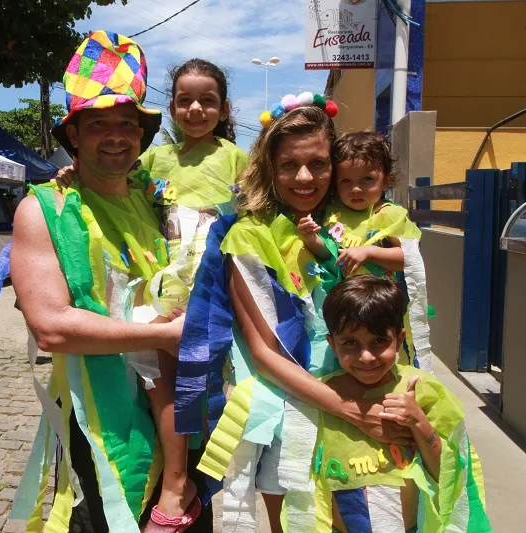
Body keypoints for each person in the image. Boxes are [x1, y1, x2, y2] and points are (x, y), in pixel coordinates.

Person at [174, 99, 419, 531]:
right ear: (268, 167)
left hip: (372, 400)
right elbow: (266, 353)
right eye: (289, 165)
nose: (305, 178)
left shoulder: (353, 224)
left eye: (319, 164)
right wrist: (351, 409)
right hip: (293, 421)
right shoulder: (248, 235)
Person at [11, 31, 208, 532]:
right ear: (73, 134)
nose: (117, 136)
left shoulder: (151, 198)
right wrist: (164, 335)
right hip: (98, 419)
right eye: (99, 125)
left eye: (128, 124)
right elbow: (51, 328)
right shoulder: (46, 210)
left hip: (177, 411)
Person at [55, 57, 247, 526]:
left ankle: (187, 476)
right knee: (160, 370)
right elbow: (117, 183)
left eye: (207, 100)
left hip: (213, 270)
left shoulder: (238, 158)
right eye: (185, 100)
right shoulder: (155, 158)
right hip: (162, 270)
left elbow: (256, 203)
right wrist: (71, 174)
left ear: (223, 109)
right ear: (172, 107)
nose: (196, 109)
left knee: (199, 378)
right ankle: (171, 475)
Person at [318, 276, 491, 532]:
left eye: (379, 341)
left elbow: (446, 472)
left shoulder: (422, 389)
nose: (366, 356)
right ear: (332, 344)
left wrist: (419, 422)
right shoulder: (320, 395)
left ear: (399, 339)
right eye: (350, 343)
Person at [300, 131, 432, 369]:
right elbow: (329, 257)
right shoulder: (333, 214)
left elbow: (409, 260)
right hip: (342, 308)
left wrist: (369, 253)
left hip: (379, 307)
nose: (356, 189)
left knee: (382, 363)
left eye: (367, 180)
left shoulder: (388, 214)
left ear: (386, 179)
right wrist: (311, 239)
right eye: (346, 181)